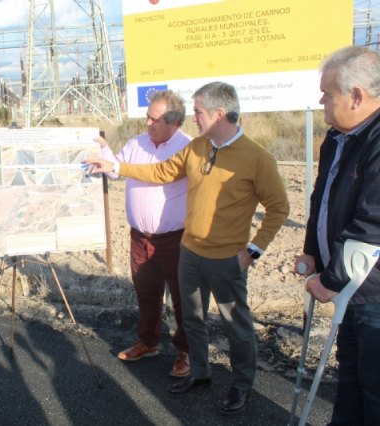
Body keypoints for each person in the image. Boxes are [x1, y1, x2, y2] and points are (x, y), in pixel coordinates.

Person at [85, 81, 289, 414]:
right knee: (192, 320)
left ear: (219, 114)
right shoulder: (197, 147)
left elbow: (279, 209)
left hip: (228, 259)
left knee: (236, 326)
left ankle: (242, 385)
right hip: (190, 254)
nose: (193, 118)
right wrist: (117, 167)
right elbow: (163, 171)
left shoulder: (257, 158)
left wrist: (254, 250)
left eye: (198, 112)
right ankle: (200, 373)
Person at [295, 46, 380, 425]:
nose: (321, 101)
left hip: (372, 289)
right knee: (351, 378)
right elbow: (323, 199)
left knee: (374, 386)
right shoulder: (338, 137)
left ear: (356, 96)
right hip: (352, 285)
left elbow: (373, 222)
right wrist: (312, 251)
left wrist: (330, 280)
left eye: (328, 94)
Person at [94, 90, 192, 377]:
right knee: (146, 293)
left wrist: (116, 164)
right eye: (147, 117)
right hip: (140, 238)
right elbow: (114, 171)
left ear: (174, 122)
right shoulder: (136, 143)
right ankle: (148, 343)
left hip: (176, 239)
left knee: (183, 298)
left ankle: (186, 351)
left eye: (154, 119)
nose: (147, 123)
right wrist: (104, 150)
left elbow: (160, 172)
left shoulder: (188, 148)